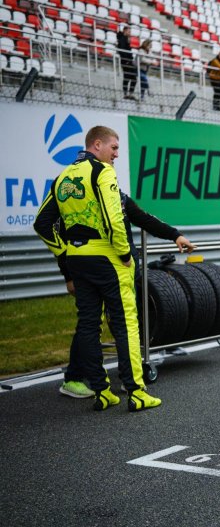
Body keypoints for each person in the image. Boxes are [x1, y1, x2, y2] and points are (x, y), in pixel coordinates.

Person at [33, 126, 161, 411]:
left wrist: (65, 252)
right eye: (114, 148)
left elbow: (41, 223)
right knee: (126, 323)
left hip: (78, 260)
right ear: (97, 144)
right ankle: (136, 392)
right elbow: (114, 215)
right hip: (108, 258)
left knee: (89, 324)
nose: (116, 154)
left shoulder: (63, 177)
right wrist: (125, 252)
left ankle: (102, 392)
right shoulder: (102, 172)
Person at [53, 192, 195, 399]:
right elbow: (59, 234)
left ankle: (129, 380)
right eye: (111, 158)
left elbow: (144, 218)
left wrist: (175, 235)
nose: (115, 158)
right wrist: (68, 274)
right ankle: (75, 378)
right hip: (94, 271)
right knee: (90, 323)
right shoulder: (75, 195)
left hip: (123, 274)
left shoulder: (117, 194)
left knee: (126, 324)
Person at [116, 25, 137, 100]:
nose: (130, 33)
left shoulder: (125, 39)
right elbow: (121, 50)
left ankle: (129, 93)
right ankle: (126, 93)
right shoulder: (122, 39)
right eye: (129, 31)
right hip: (126, 61)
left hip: (128, 61)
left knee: (132, 78)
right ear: (125, 31)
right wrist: (127, 60)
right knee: (128, 77)